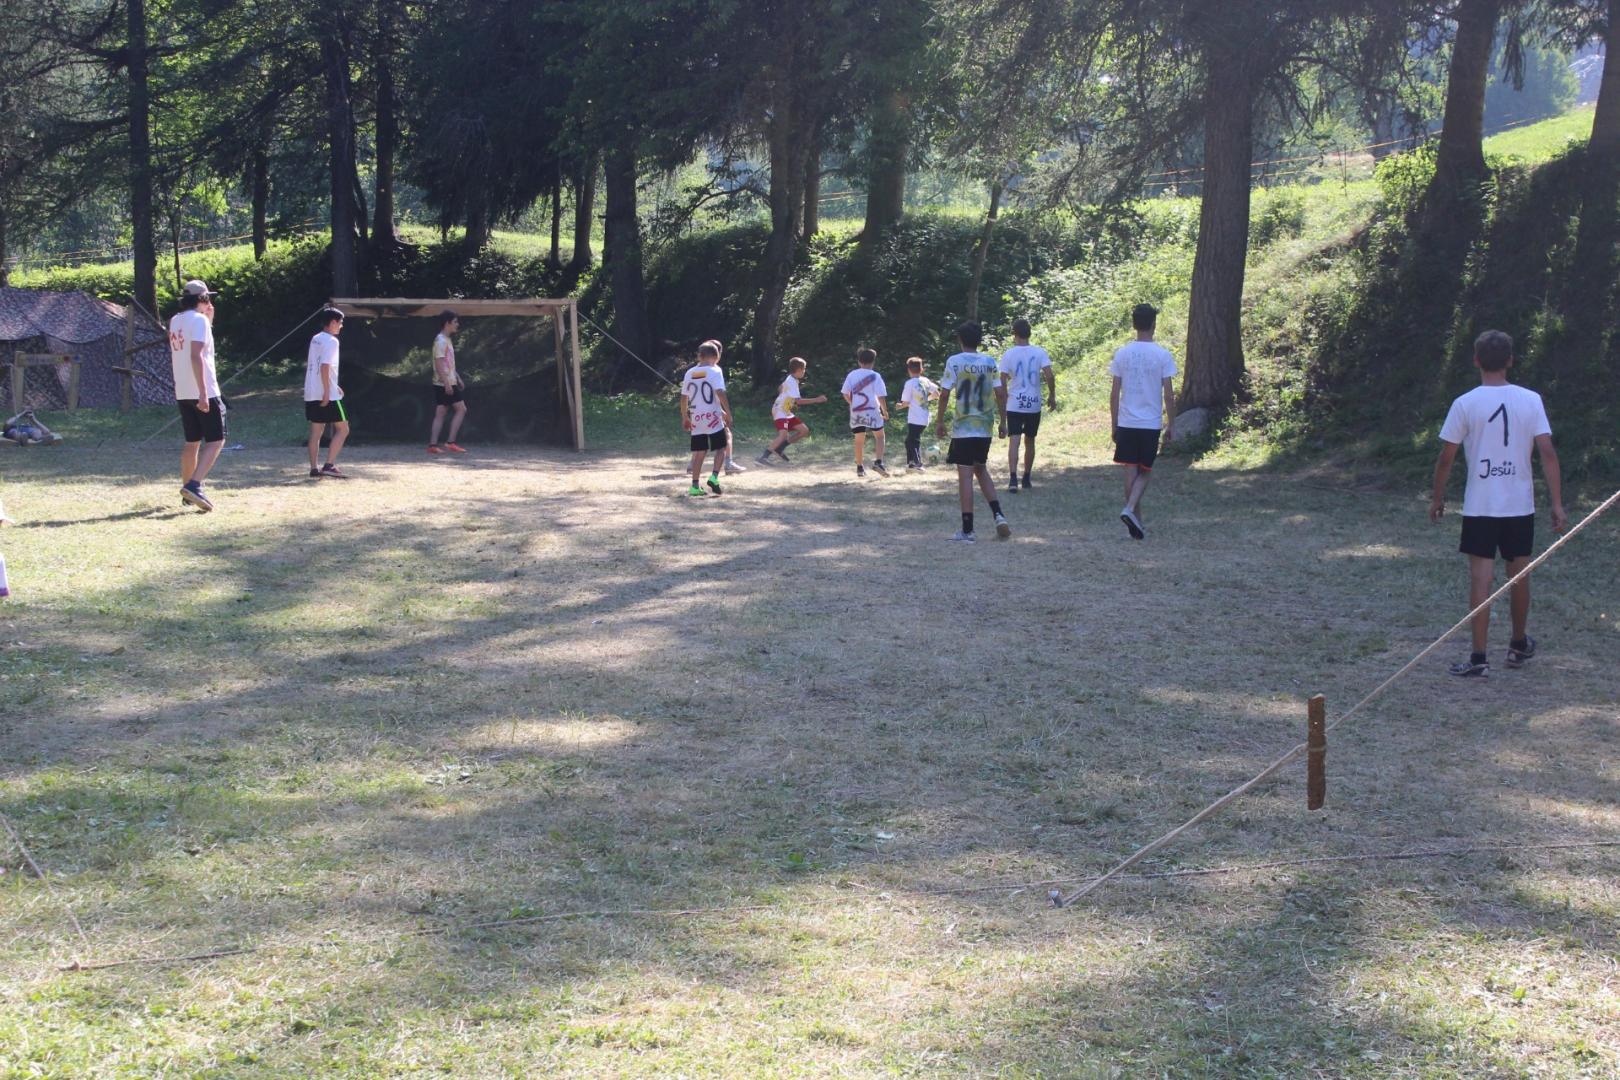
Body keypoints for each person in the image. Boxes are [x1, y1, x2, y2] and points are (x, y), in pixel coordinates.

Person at [1429, 329, 1567, 678]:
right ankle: (1518, 645)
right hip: (1519, 506)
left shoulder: (1465, 403)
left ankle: (1479, 658)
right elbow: (1547, 453)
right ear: (1510, 361)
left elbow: (1446, 458)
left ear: (1476, 360)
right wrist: (1557, 503)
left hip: (1481, 506)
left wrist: (1438, 497)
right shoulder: (1531, 400)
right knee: (1518, 576)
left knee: (1481, 579)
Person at [936, 322, 1010, 542]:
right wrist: (1003, 421)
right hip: (984, 426)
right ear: (979, 341)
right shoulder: (989, 362)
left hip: (964, 427)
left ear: (960, 339)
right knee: (981, 469)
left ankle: (968, 530)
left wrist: (939, 421)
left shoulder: (954, 361)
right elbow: (1000, 393)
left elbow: (944, 394)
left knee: (966, 476)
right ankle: (998, 515)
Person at [1109, 303, 1177, 540]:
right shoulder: (1162, 355)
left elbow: (1114, 393)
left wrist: (1114, 423)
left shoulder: (1122, 353)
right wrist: (1172, 423)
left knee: (1130, 469)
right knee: (1146, 470)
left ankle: (1136, 524)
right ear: (1153, 324)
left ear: (1134, 324)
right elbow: (1169, 394)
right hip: (1150, 423)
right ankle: (1130, 510)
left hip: (1126, 421)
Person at [168, 279, 224, 512]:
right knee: (216, 440)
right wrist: (203, 393)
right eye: (207, 298)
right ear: (202, 298)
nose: (209, 303)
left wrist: (209, 320)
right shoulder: (198, 320)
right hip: (204, 389)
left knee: (192, 442)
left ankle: (187, 492)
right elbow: (196, 355)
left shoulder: (176, 320)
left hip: (182, 390)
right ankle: (194, 485)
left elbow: (196, 343)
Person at [997, 317, 1056, 491]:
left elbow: (1002, 379)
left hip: (1014, 403)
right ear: (1029, 333)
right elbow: (1049, 375)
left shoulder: (1009, 354)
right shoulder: (1039, 352)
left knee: (1014, 440)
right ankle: (1027, 478)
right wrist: (1052, 395)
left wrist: (1005, 396)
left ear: (1014, 334)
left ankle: (1012, 479)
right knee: (1030, 441)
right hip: (1033, 404)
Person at [680, 341, 733, 496]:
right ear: (717, 357)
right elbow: (720, 392)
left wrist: (685, 417)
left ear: (699, 356)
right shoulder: (715, 370)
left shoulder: (690, 373)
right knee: (721, 447)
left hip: (696, 417)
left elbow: (684, 397)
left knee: (699, 452)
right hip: (713, 417)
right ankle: (714, 477)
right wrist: (728, 412)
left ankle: (695, 486)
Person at [303, 308, 350, 478]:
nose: (341, 326)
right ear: (333, 322)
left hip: (311, 391)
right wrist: (327, 392)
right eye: (340, 323)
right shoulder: (332, 341)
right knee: (343, 429)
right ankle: (329, 465)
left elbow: (317, 366)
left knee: (316, 432)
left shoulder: (316, 338)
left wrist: (334, 385)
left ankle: (314, 469)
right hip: (326, 394)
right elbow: (324, 366)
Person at [757, 356, 827, 465]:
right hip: (780, 411)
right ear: (798, 370)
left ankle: (779, 449)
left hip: (785, 411)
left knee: (804, 430)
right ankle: (763, 457)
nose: (804, 371)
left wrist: (787, 399)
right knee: (783, 435)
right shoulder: (792, 382)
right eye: (804, 369)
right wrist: (817, 400)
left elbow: (780, 388)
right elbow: (798, 402)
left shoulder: (791, 378)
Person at [841, 347, 890, 478]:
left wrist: (852, 403)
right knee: (880, 436)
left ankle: (860, 467)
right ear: (873, 362)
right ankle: (879, 462)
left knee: (859, 439)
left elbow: (845, 392)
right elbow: (881, 396)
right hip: (872, 411)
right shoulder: (876, 376)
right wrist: (884, 411)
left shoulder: (852, 375)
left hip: (857, 412)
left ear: (859, 361)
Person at [428, 310, 467, 454]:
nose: (457, 324)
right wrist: (447, 383)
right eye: (455, 322)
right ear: (447, 323)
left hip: (448, 381)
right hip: (444, 382)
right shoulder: (441, 341)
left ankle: (433, 445)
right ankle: (450, 443)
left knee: (441, 412)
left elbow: (448, 363)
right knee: (461, 409)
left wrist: (457, 377)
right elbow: (438, 364)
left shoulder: (446, 340)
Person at [898, 357, 939, 470]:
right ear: (921, 369)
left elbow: (906, 403)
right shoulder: (925, 380)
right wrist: (925, 400)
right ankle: (911, 464)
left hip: (915, 418)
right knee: (909, 440)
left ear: (908, 370)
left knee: (913, 441)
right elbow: (936, 394)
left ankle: (918, 464)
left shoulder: (909, 383)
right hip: (924, 417)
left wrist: (899, 406)